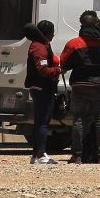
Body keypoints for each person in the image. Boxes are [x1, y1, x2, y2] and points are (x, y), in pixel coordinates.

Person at [61, 10, 100, 164]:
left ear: (82, 25)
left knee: (79, 119)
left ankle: (77, 156)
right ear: (97, 23)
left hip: (80, 86)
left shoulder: (74, 43)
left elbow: (64, 63)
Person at [24, 20, 61, 165]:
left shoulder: (39, 45)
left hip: (40, 88)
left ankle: (36, 153)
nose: (53, 35)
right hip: (42, 88)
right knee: (43, 122)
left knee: (40, 122)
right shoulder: (39, 47)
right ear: (47, 33)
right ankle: (41, 154)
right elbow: (43, 70)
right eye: (52, 32)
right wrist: (58, 70)